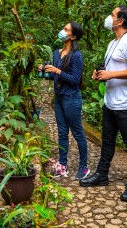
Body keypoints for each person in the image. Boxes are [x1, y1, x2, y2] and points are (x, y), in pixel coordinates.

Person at [79, 6, 127, 202]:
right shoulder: (113, 42)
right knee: (107, 141)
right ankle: (102, 175)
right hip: (110, 102)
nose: (109, 17)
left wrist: (112, 74)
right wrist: (100, 73)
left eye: (113, 15)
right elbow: (112, 68)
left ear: (120, 21)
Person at [40, 21, 90, 180]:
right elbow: (55, 77)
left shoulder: (76, 55)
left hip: (71, 99)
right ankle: (62, 165)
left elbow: (75, 80)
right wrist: (44, 70)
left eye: (66, 29)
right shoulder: (56, 53)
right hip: (59, 98)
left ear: (73, 36)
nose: (62, 31)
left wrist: (57, 70)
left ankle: (83, 167)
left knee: (77, 133)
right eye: (63, 28)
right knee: (62, 133)